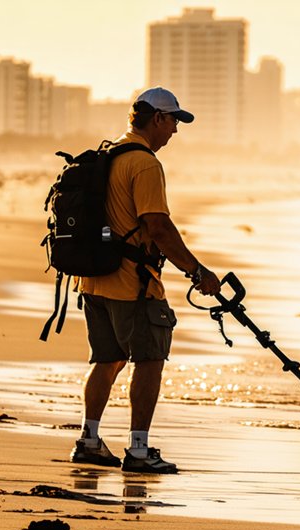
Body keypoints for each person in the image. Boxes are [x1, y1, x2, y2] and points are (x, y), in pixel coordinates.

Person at [69, 86, 221, 474]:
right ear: (157, 119)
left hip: (93, 281)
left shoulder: (111, 153)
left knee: (107, 358)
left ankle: (89, 440)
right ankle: (138, 450)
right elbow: (158, 227)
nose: (175, 131)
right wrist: (197, 271)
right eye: (173, 122)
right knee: (150, 359)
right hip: (131, 284)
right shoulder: (145, 164)